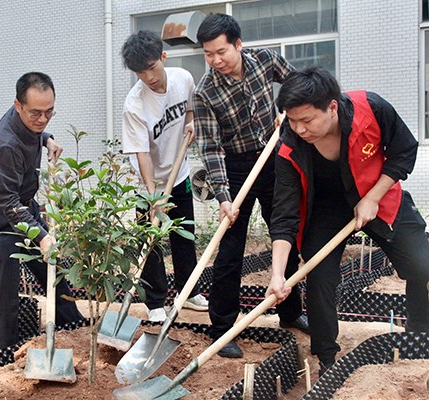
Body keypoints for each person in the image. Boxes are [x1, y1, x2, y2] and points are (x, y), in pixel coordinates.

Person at [267, 65, 429, 375]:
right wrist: (277, 274)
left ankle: (420, 331)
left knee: (422, 265)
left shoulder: (372, 109)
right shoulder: (289, 145)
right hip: (326, 209)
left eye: (307, 120)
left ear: (331, 107)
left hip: (377, 194)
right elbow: (284, 214)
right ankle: (327, 356)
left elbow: (404, 152)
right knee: (319, 275)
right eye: (292, 120)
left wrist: (373, 196)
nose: (300, 129)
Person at [193, 13, 309, 357]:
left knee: (284, 234)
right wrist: (224, 198)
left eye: (221, 52)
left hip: (275, 156)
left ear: (238, 44)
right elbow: (211, 149)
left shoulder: (264, 61)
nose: (216, 61)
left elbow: (299, 85)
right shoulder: (205, 93)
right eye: (208, 54)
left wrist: (285, 110)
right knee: (230, 251)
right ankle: (222, 329)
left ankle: (290, 313)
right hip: (237, 167)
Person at [0, 72, 83, 352]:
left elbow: (37, 131)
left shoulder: (32, 124)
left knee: (53, 272)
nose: (42, 119)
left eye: (49, 112)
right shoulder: (5, 144)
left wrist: (48, 139)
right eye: (36, 113)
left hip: (24, 209)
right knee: (5, 293)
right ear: (18, 105)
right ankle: (1, 356)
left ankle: (75, 331)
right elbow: (9, 203)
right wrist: (42, 237)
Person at [120, 30, 208, 322]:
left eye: (152, 67)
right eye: (140, 72)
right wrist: (153, 195)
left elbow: (191, 106)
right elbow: (141, 154)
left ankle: (189, 292)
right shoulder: (134, 104)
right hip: (149, 181)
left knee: (184, 236)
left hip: (179, 172)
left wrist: (192, 122)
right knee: (152, 242)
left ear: (163, 57)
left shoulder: (183, 78)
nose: (148, 76)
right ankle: (155, 302)